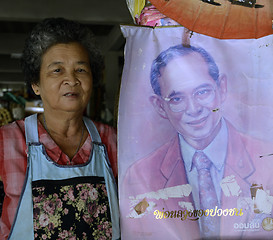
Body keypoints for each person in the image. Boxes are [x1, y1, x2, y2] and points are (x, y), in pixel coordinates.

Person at [121, 44, 273, 239]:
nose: (193, 109)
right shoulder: (140, 176)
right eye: (176, 99)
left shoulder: (267, 161)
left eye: (202, 92)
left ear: (222, 88)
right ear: (160, 106)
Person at [0, 18, 119, 240]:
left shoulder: (110, 140)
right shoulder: (7, 140)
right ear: (36, 84)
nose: (71, 80)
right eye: (57, 70)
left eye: (81, 69)